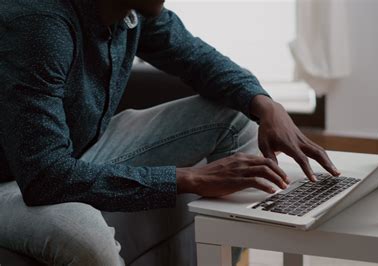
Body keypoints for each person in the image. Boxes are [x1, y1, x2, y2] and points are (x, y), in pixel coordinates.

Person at [0, 0, 340, 265]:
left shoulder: (130, 10)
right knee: (85, 235)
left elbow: (196, 58)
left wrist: (267, 105)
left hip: (76, 148)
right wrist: (190, 178)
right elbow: (44, 176)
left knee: (234, 118)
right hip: (17, 179)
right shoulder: (39, 23)